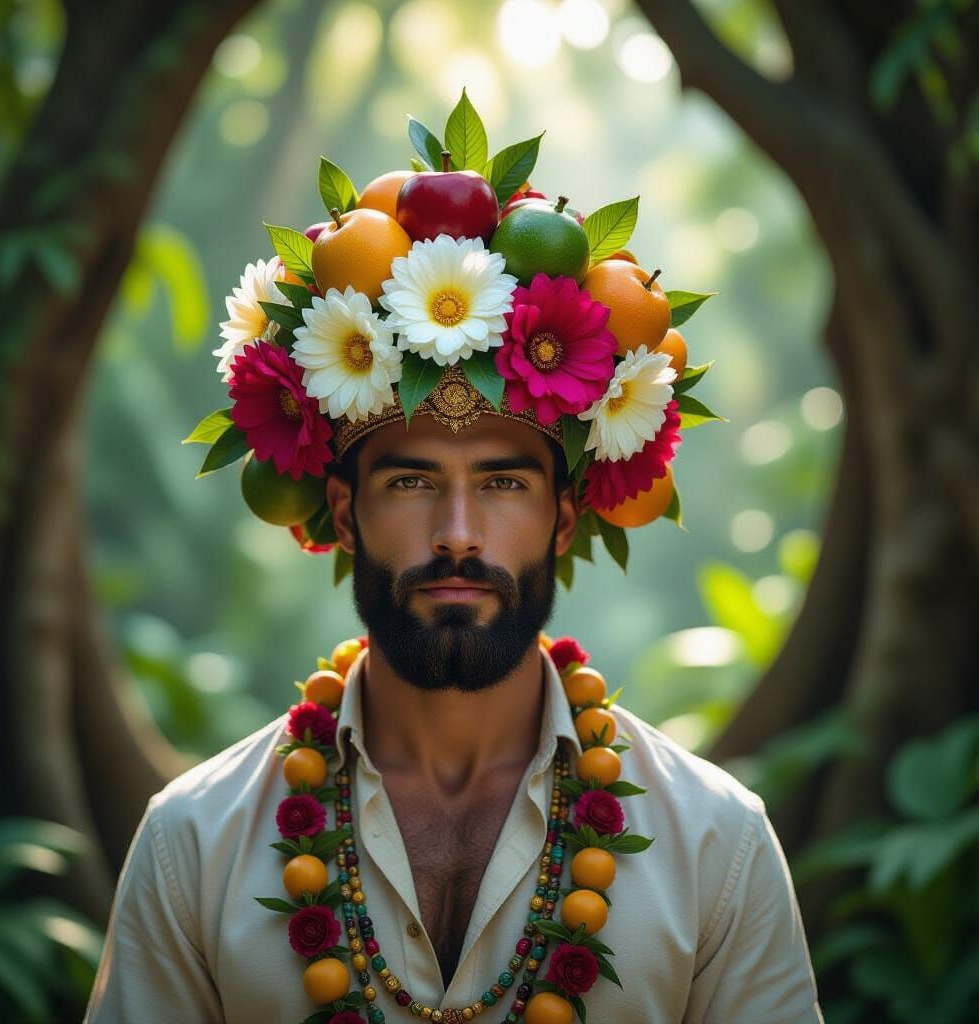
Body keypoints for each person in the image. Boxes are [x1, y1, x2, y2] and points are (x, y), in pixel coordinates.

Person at [86, 93, 822, 1022]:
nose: (459, 533)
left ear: (562, 519)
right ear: (345, 513)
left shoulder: (717, 848)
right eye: (412, 482)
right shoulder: (192, 846)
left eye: (506, 484)